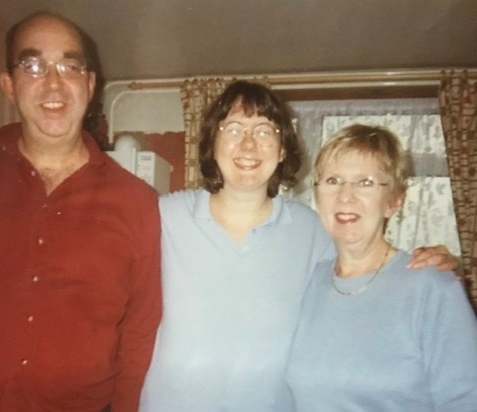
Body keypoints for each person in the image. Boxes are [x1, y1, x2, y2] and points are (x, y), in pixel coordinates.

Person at [138, 80, 458, 412]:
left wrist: (429, 265)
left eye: (264, 131)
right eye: (233, 128)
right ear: (212, 142)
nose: (248, 144)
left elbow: (369, 276)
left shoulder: (312, 230)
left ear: (282, 149)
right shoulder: (166, 216)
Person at [0, 11, 161, 412]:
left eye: (69, 66)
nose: (53, 82)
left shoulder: (137, 202)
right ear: (9, 84)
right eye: (34, 65)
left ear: (90, 85)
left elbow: (138, 335)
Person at [286, 124, 477, 411]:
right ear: (316, 196)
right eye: (333, 180)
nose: (345, 196)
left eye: (366, 182)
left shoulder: (433, 287)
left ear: (394, 201)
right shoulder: (308, 282)